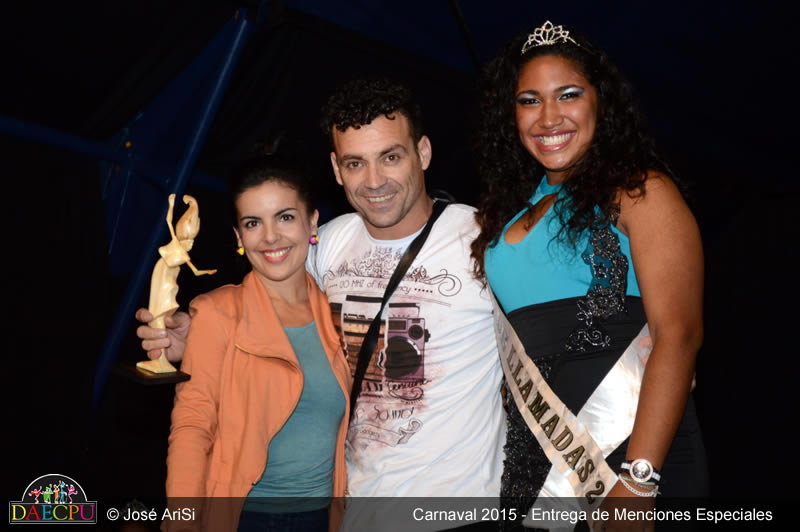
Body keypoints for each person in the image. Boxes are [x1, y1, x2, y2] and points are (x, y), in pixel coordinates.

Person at [139, 79, 507, 530]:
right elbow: (267, 303)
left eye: (390, 157)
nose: (374, 181)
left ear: (423, 153)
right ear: (336, 168)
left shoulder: (487, 242)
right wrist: (196, 336)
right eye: (355, 163)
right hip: (354, 512)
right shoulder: (329, 244)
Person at [471, 21, 708, 528]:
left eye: (568, 94)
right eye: (529, 100)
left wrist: (640, 480)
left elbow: (679, 335)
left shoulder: (642, 191)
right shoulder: (506, 215)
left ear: (601, 101)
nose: (548, 117)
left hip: (630, 458)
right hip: (534, 464)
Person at [162, 154, 351, 532]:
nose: (270, 236)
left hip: (323, 519)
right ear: (239, 237)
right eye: (253, 223)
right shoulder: (216, 313)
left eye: (285, 217)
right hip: (244, 518)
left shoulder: (338, 314)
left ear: (312, 222)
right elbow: (192, 427)